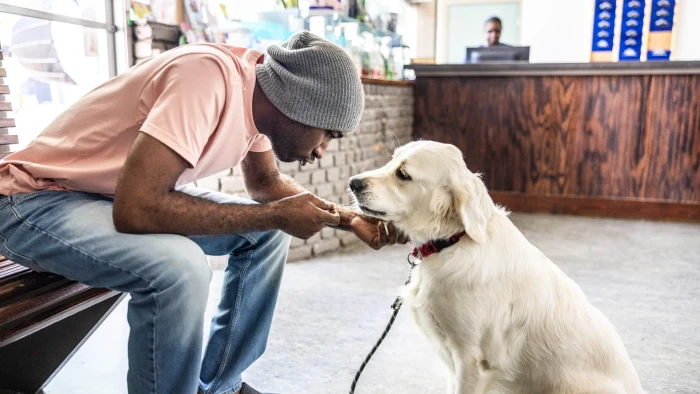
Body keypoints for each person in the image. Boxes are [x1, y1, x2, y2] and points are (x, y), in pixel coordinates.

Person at [0, 31, 404, 394]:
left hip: (102, 196)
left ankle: (221, 388)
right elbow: (137, 209)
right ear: (296, 105)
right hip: (32, 201)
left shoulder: (258, 94)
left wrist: (346, 218)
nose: (321, 151)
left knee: (268, 234)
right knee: (180, 269)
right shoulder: (205, 79)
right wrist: (278, 215)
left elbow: (265, 187)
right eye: (327, 134)